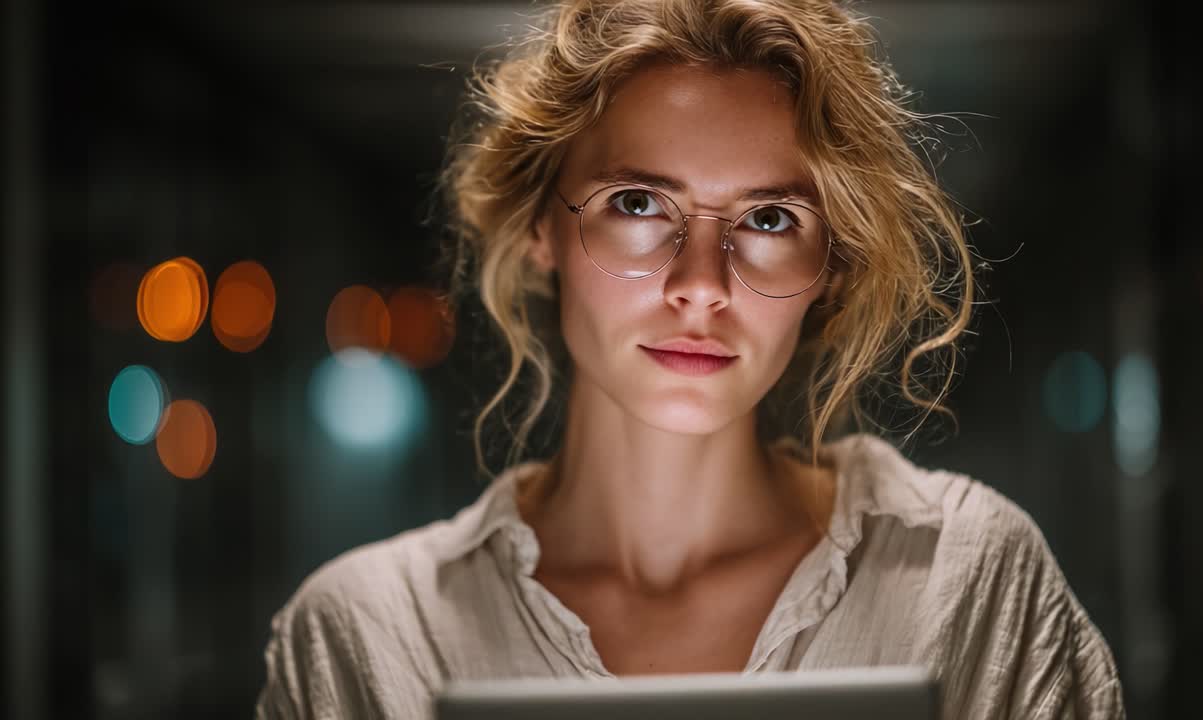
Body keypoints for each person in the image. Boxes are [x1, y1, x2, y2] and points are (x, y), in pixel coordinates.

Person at [255, 0, 1125, 718]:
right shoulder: (363, 635)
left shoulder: (966, 579)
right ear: (538, 229)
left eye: (770, 219)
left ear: (831, 264)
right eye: (638, 202)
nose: (701, 285)